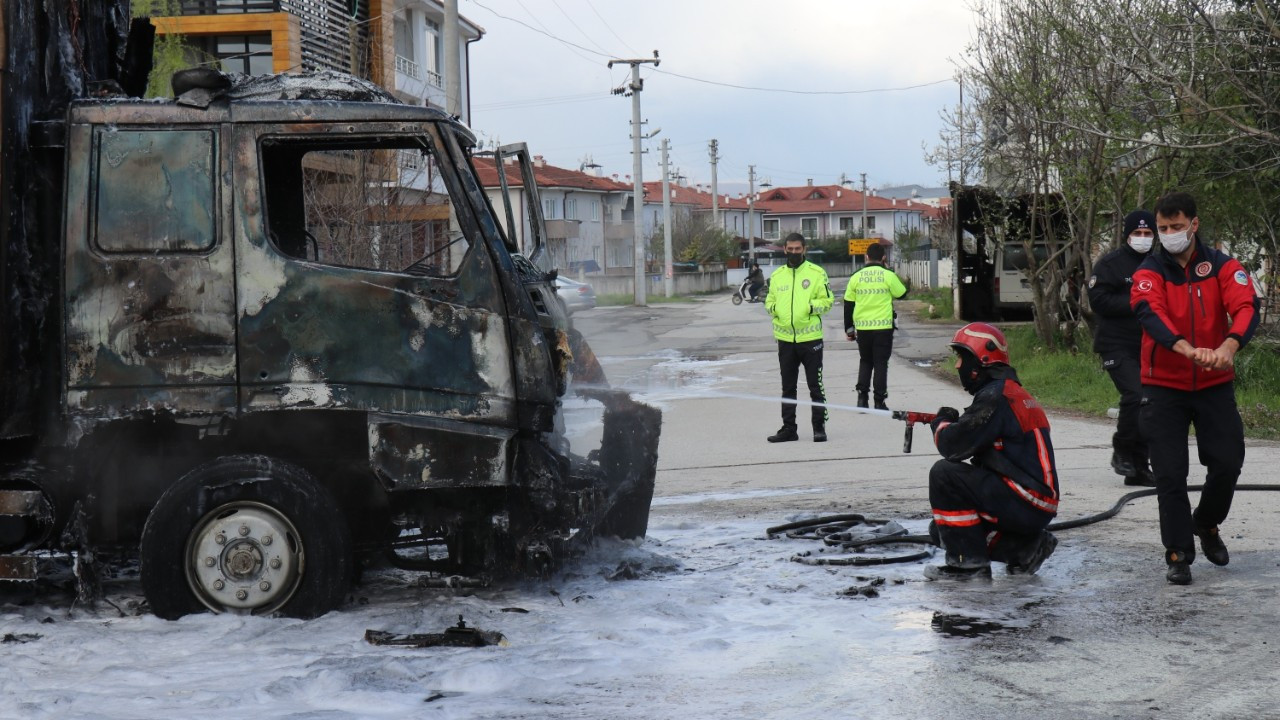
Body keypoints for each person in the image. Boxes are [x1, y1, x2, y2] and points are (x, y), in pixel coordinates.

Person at [1130, 191, 1259, 585]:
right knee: (1169, 474)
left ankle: (1206, 522)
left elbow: (1246, 306)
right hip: (1163, 386)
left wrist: (1228, 346)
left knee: (1227, 463)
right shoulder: (1149, 271)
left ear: (1194, 225)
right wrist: (1185, 348)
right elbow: (1149, 312)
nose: (1168, 234)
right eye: (1163, 228)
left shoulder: (1222, 266)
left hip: (1214, 383)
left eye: (1176, 227)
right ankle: (1178, 553)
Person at [924, 322, 1059, 580]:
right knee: (942, 530)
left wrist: (941, 423)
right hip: (1035, 500)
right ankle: (1026, 550)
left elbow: (952, 447)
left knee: (944, 474)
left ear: (980, 361)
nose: (958, 366)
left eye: (962, 357)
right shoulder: (1010, 393)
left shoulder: (996, 397)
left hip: (1026, 498)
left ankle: (968, 567)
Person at [1088, 209, 1157, 487]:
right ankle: (1122, 449)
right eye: (1137, 233)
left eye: (1148, 233)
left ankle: (1138, 466)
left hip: (1150, 345)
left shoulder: (1160, 263)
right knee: (1135, 395)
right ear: (1127, 235)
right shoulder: (1111, 264)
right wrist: (1136, 301)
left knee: (1151, 403)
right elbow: (1099, 301)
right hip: (1116, 345)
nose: (1142, 238)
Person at [765, 233, 833, 443]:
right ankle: (789, 429)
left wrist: (810, 308)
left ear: (804, 249)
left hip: (810, 339)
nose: (793, 252)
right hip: (785, 341)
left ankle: (818, 427)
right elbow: (769, 301)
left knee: (815, 386)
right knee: (788, 387)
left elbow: (828, 300)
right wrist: (774, 309)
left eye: (797, 249)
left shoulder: (816, 273)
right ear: (784, 249)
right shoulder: (777, 276)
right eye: (790, 249)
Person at [844, 242, 908, 410]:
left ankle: (861, 399)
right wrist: (888, 271)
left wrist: (849, 329)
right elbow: (902, 294)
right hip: (883, 328)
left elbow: (848, 304)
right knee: (880, 363)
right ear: (884, 258)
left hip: (863, 328)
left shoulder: (856, 276)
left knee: (865, 361)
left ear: (866, 257)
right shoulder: (887, 275)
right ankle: (879, 401)